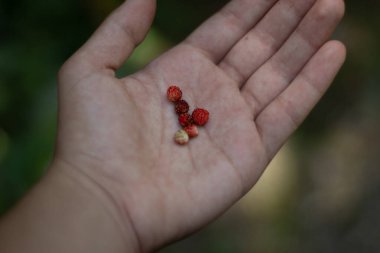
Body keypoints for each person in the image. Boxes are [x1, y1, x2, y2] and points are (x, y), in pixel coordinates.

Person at [0, 0, 346, 252]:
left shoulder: (187, 117)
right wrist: (97, 187)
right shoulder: (184, 117)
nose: (188, 123)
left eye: (189, 125)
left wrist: (96, 191)